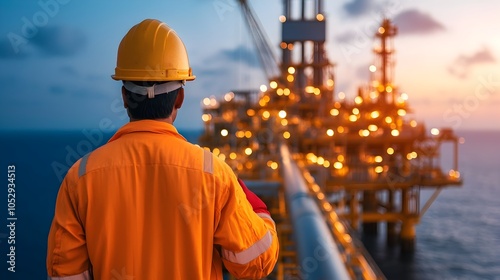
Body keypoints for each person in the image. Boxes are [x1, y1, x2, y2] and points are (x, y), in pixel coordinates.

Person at [46, 19, 279, 280]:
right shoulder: (213, 173)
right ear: (179, 97)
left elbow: (65, 275)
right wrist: (258, 210)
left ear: (124, 96)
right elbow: (255, 264)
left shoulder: (80, 177)